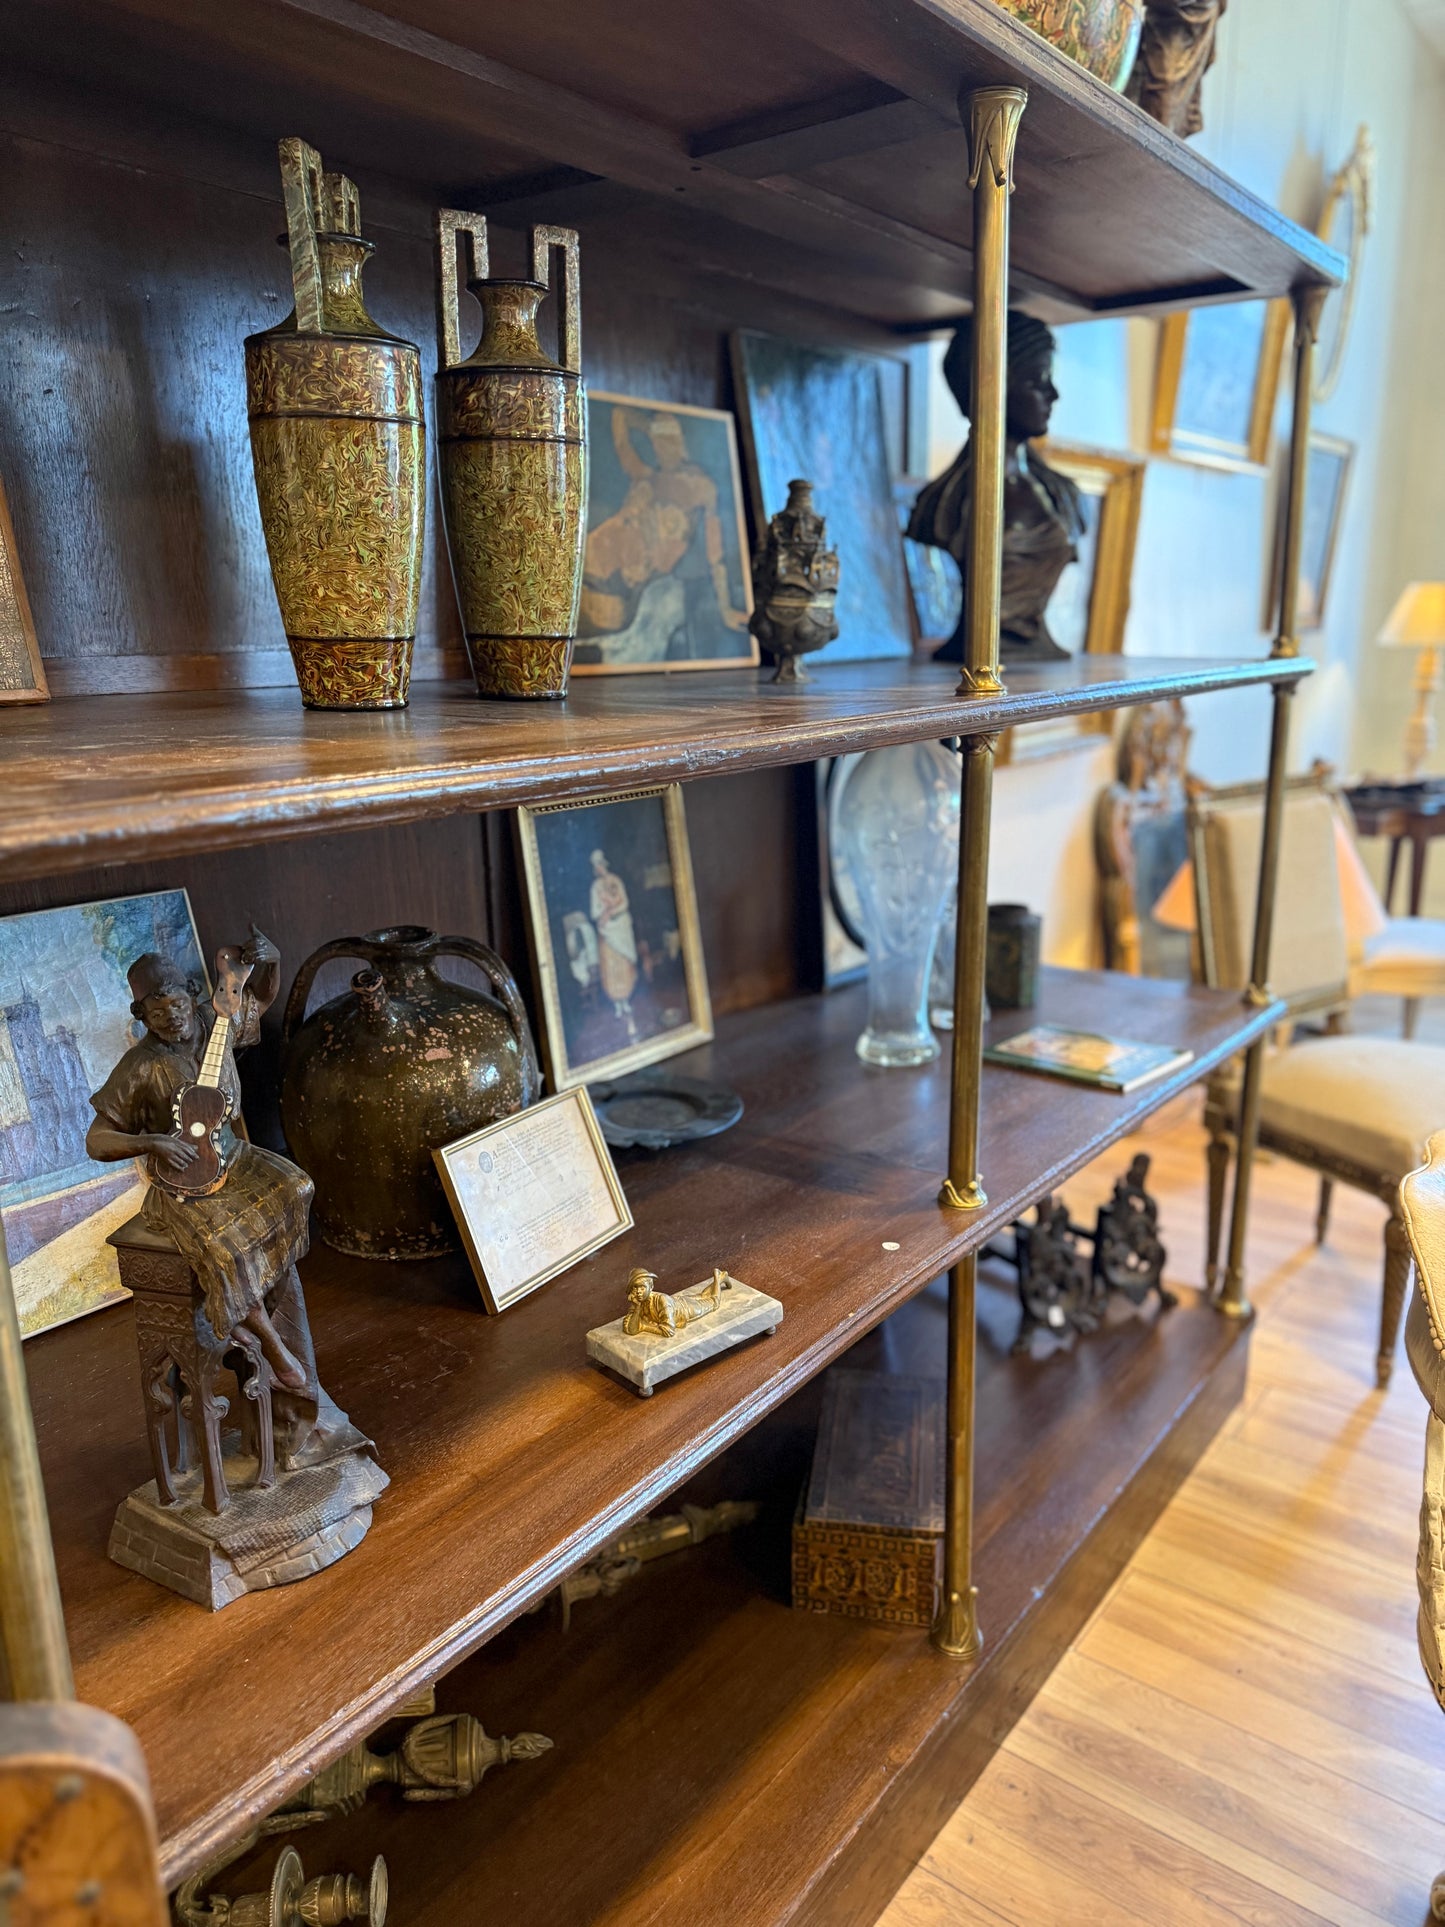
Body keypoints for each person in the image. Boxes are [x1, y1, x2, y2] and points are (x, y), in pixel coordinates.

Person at [87, 927, 329, 1457]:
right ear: (141, 1017)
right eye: (156, 1013)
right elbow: (96, 1139)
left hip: (235, 1158)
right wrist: (151, 1142)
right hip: (184, 1181)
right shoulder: (141, 1065)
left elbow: (259, 997)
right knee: (226, 1249)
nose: (171, 1018)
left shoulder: (215, 1024)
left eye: (176, 1004)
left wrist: (272, 960)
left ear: (192, 995)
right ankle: (268, 1343)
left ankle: (264, 1321)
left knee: (297, 1186)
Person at [908, 311, 1085, 664]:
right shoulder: (942, 504)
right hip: (973, 663)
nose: (1054, 394)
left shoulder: (1063, 493)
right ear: (993, 389)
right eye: (1037, 381)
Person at [579, 408, 750, 663]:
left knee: (607, 616)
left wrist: (725, 608)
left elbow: (715, 555)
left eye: (670, 440)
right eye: (658, 442)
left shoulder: (700, 487)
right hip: (592, 562)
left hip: (618, 579)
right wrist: (651, 428)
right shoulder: (644, 475)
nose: (662, 448)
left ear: (681, 442)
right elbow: (619, 417)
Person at [588, 850, 639, 1038]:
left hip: (621, 927)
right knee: (611, 967)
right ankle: (617, 1004)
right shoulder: (595, 887)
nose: (600, 868)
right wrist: (604, 912)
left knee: (624, 964)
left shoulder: (616, 881)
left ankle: (627, 1000)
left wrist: (612, 910)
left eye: (601, 864)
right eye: (596, 866)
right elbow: (594, 912)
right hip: (607, 931)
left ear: (605, 864)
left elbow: (624, 903)